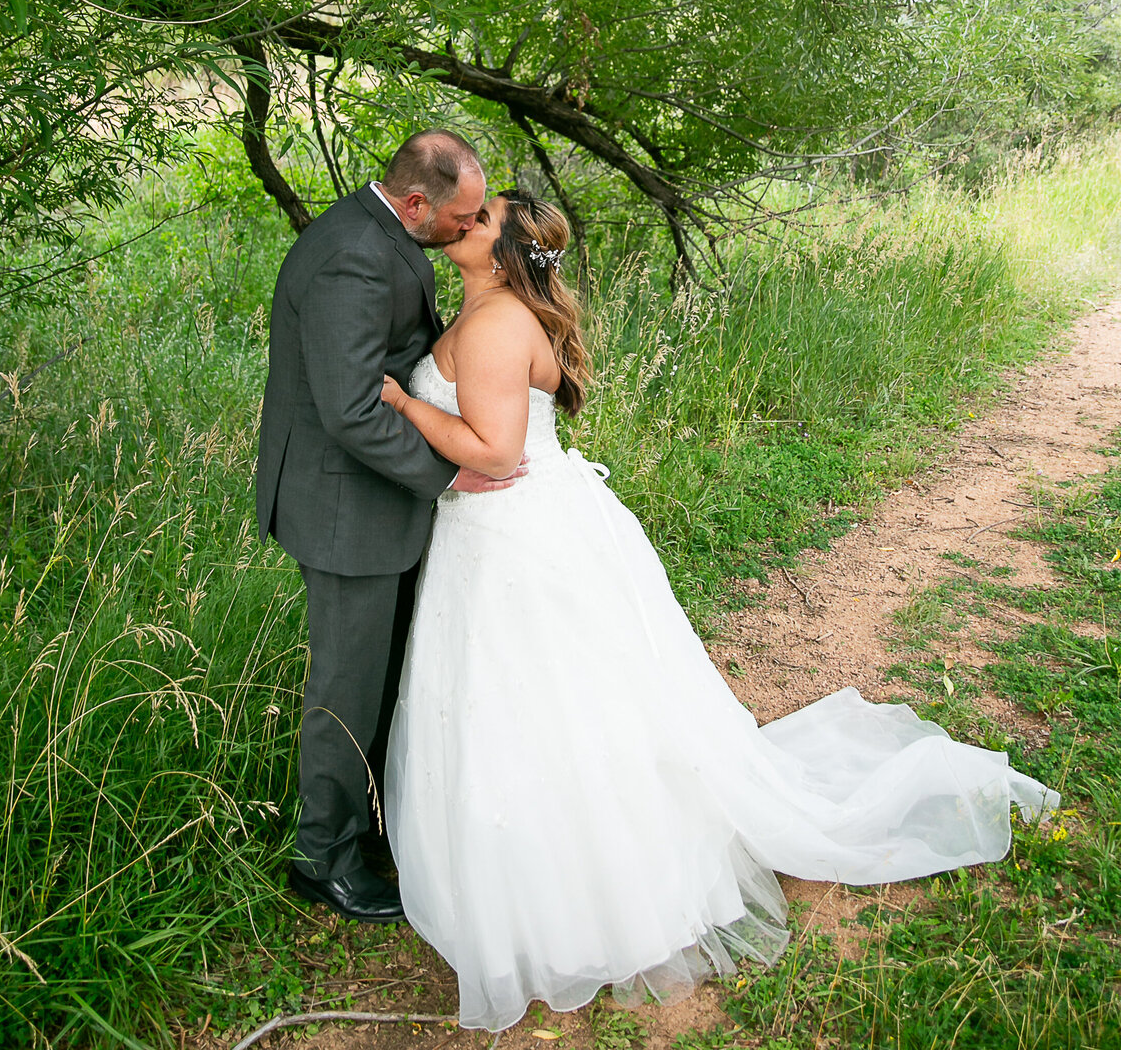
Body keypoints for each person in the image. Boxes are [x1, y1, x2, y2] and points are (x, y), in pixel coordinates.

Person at [379, 189, 1058, 1032]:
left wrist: (405, 405)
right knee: (572, 699)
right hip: (531, 530)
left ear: (505, 252)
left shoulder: (491, 326)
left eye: (479, 220)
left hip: (511, 538)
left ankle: (579, 881)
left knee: (536, 700)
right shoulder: (501, 313)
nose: (461, 219)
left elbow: (497, 452)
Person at [256, 131, 525, 924]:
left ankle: (369, 825)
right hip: (344, 508)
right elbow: (347, 409)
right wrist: (448, 471)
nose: (469, 229)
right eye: (463, 217)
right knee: (345, 686)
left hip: (377, 502)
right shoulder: (353, 255)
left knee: (377, 674)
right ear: (417, 203)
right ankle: (323, 859)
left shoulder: (387, 233)